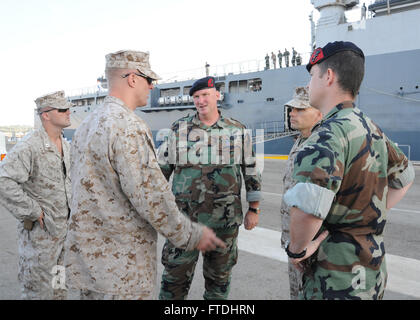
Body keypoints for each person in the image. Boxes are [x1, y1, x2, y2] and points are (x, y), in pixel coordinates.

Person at [63, 50, 225, 300]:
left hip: (91, 265)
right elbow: (151, 195)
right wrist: (190, 235)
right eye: (149, 79)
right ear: (132, 78)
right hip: (122, 270)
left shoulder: (87, 124)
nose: (152, 86)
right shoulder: (128, 126)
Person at [283, 41, 415, 300]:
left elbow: (307, 210)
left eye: (312, 76)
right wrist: (368, 214)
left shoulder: (326, 134)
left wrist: (298, 250)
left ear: (328, 76)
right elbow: (405, 177)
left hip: (335, 275)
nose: (309, 85)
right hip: (372, 269)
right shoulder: (370, 126)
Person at [158, 76, 262, 300]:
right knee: (173, 283)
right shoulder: (179, 129)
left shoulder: (237, 130)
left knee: (218, 284)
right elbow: (161, 171)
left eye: (205, 95)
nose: (200, 100)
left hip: (224, 223)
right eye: (196, 97)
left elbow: (251, 170)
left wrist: (254, 208)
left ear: (217, 95)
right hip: (185, 222)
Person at [0, 91, 72, 299]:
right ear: (46, 115)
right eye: (62, 109)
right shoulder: (30, 146)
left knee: (59, 289)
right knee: (37, 293)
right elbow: (4, 180)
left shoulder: (65, 146)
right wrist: (31, 210)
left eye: (68, 108)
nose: (68, 112)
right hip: (40, 240)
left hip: (63, 237)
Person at [280, 87, 322, 300]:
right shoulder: (301, 140)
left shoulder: (320, 145)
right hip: (295, 244)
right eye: (291, 109)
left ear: (319, 112)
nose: (291, 113)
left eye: (300, 109)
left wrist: (300, 248)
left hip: (310, 248)